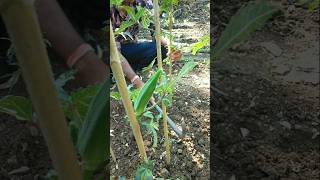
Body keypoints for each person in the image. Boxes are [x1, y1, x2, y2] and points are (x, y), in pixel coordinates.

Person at [111, 0, 182, 89]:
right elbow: (113, 51)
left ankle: (127, 70)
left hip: (129, 48)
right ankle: (118, 72)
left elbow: (156, 31)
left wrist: (171, 46)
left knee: (161, 49)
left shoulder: (143, 3)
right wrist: (134, 79)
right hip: (109, 51)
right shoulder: (112, 6)